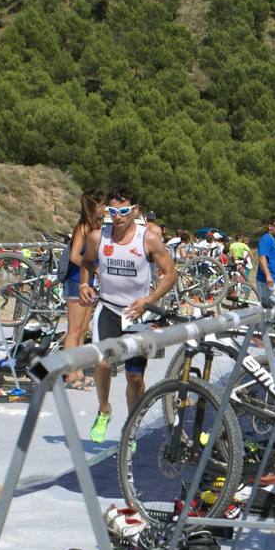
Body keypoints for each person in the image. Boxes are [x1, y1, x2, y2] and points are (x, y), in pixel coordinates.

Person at [78, 186, 178, 443]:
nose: (118, 216)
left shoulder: (148, 239)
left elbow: (170, 274)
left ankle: (131, 426)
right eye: (112, 211)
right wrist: (84, 284)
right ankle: (104, 409)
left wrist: (149, 300)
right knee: (102, 362)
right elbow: (87, 262)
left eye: (123, 211)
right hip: (108, 308)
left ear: (135, 211)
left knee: (134, 378)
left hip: (137, 315)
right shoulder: (98, 237)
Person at [61, 190, 102, 389]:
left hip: (88, 282)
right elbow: (75, 256)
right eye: (103, 204)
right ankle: (70, 374)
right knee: (74, 330)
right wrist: (94, 267)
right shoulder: (83, 227)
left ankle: (78, 371)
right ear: (96, 205)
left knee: (83, 330)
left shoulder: (95, 227)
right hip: (75, 281)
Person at [255, 216, 275, 307]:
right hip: (266, 282)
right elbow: (262, 258)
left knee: (271, 312)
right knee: (271, 311)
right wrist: (268, 276)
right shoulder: (266, 239)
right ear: (269, 226)